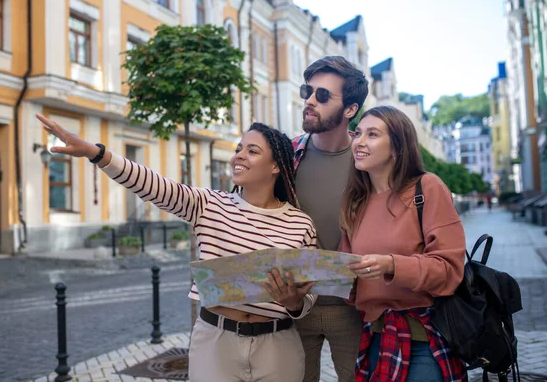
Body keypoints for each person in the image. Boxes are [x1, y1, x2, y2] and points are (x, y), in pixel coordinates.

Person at [36, 114, 318, 382]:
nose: (239, 156)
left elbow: (311, 293)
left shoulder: (300, 223)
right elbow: (153, 185)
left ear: (276, 166)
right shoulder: (208, 204)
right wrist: (96, 153)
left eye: (252, 151)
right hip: (215, 342)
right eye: (238, 148)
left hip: (277, 345)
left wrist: (294, 303)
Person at [339, 106, 468, 381]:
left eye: (372, 134)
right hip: (375, 340)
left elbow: (449, 271)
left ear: (397, 146)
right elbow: (348, 282)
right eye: (358, 133)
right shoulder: (354, 202)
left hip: (423, 342)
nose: (359, 142)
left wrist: (391, 265)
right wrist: (314, 277)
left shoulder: (426, 188)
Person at [292, 56, 369, 382]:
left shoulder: (370, 159)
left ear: (350, 109)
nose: (310, 101)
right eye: (307, 91)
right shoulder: (286, 153)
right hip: (294, 306)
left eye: (322, 95)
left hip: (354, 309)